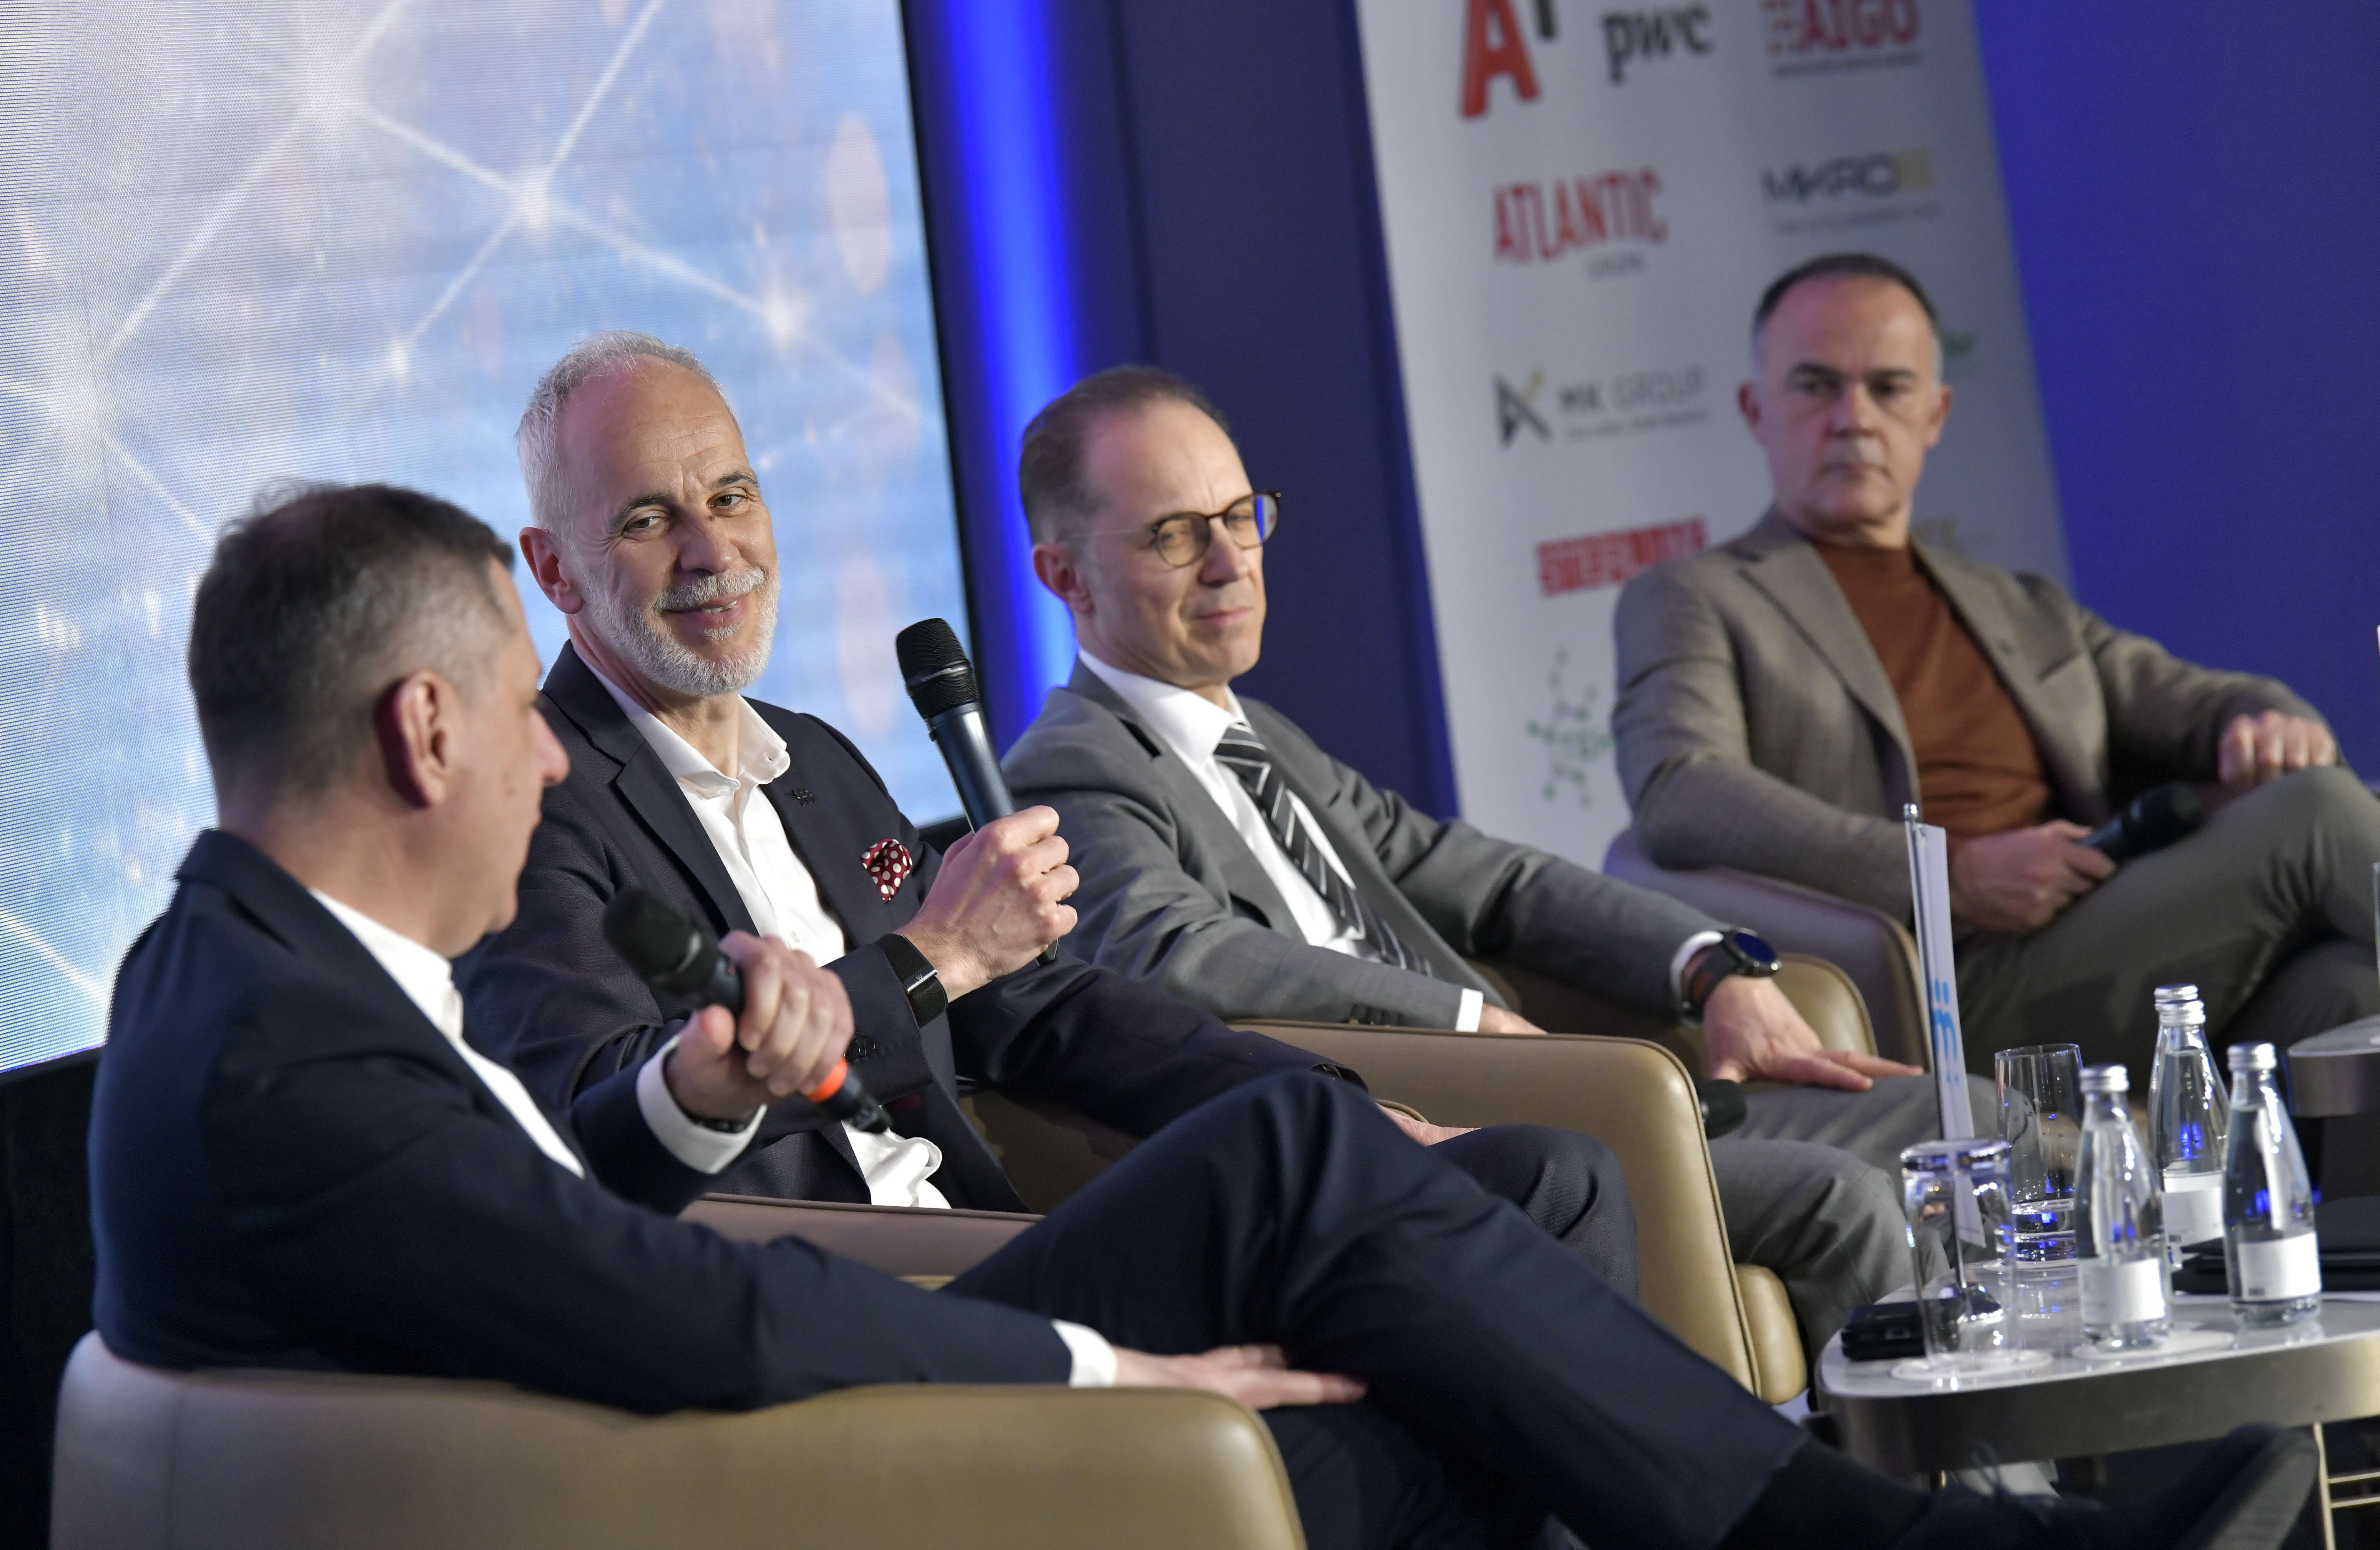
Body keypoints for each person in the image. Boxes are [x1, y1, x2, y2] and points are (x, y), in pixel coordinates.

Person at [91, 480, 2318, 1550]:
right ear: (422, 730)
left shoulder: (259, 977)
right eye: (517, 702)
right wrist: (1109, 1366)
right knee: (1411, 1396)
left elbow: (618, 1206)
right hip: (751, 1471)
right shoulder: (294, 1059)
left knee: (1327, 1166)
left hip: (773, 1357)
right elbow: (676, 1307)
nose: (548, 750)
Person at [457, 332, 1637, 1296]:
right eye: (648, 521)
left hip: (995, 1233)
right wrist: (934, 956)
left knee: (1535, 1180)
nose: (713, 549)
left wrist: (1333, 1106)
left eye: (732, 496)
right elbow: (602, 1111)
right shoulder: (533, 805)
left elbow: (1039, 1003)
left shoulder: (813, 760)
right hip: (837, 1289)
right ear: (553, 571)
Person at [999, 365, 1979, 1357]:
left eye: (1240, 517)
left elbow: (1492, 879)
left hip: (1564, 1087)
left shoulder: (1265, 739)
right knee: (1843, 1202)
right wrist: (1463, 1024)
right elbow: (1175, 951)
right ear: (1065, 576)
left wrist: (1707, 965)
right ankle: (1923, 1463)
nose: (1230, 563)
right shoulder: (1071, 769)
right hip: (1438, 1131)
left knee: (1979, 1119)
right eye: (1174, 535)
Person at [1612, 252, 2380, 1078]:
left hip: (2104, 941)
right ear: (1755, 409)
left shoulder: (2016, 603)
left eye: (1888, 388)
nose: (1853, 418)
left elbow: (2202, 700)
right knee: (2317, 816)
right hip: (1936, 989)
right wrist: (1950, 875)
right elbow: (1680, 789)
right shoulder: (1696, 596)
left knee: (2345, 990)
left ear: (1935, 413)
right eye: (1815, 386)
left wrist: (2267, 720)